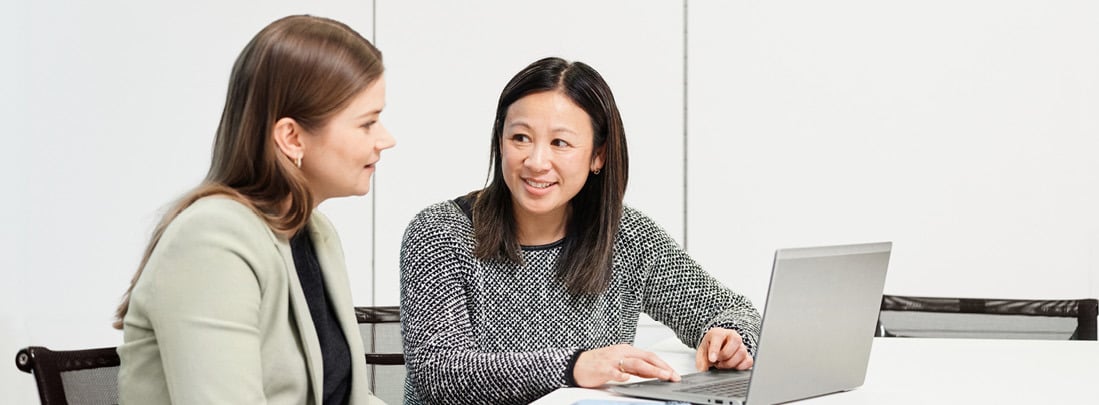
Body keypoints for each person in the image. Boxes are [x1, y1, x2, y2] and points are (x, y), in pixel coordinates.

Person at [398, 57, 762, 404]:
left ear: (597, 155)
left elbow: (734, 312)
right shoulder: (441, 231)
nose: (536, 162)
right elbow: (440, 373)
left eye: (560, 143)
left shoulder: (627, 236)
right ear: (500, 140)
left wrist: (731, 339)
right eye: (520, 138)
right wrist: (574, 366)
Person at [113, 15, 393, 405]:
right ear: (291, 137)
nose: (387, 140)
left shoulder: (316, 232)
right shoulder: (212, 240)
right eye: (367, 123)